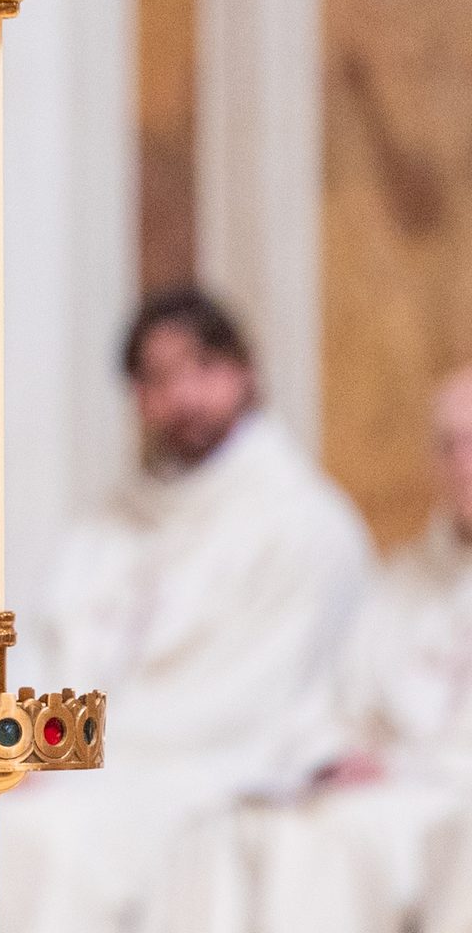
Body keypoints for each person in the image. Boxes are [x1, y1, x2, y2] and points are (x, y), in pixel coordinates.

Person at [0, 286, 374, 933]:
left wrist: (83, 765)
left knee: (36, 843)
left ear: (245, 373)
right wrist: (24, 745)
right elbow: (39, 648)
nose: (184, 398)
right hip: (75, 766)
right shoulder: (104, 526)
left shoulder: (302, 524)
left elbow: (252, 697)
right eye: (158, 379)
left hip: (191, 772)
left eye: (202, 369)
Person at [168, 366, 472, 933]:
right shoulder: (403, 582)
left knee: (333, 848)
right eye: (448, 445)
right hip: (383, 793)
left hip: (443, 798)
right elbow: (340, 704)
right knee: (233, 833)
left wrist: (400, 767)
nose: (462, 461)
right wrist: (329, 757)